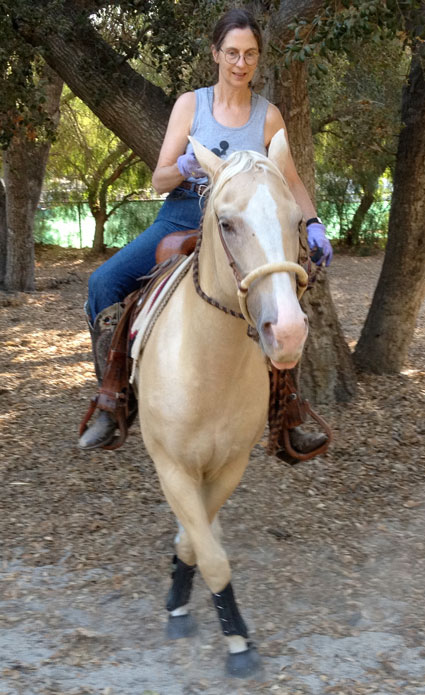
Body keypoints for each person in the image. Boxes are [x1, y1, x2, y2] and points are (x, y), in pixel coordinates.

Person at [79, 8, 333, 451]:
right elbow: (159, 180)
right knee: (103, 283)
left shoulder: (268, 116)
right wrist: (182, 166)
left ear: (258, 58)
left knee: (283, 298)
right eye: (232, 52)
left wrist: (313, 223)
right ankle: (113, 398)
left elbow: (290, 180)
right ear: (216, 53)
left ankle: (287, 418)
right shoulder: (190, 105)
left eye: (250, 54)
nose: (240, 63)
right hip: (180, 216)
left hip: (242, 231)